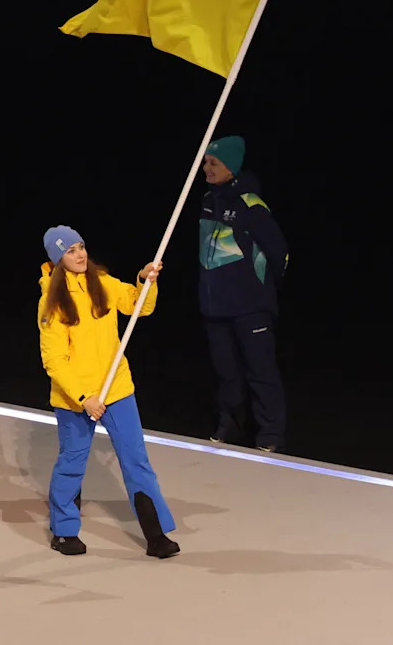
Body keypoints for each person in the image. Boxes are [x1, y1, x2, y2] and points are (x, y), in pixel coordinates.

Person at [37, 225, 179, 559]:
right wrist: (84, 398)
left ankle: (156, 535)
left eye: (81, 246)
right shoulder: (52, 301)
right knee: (73, 462)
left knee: (136, 459)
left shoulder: (102, 281)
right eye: (70, 251)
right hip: (76, 399)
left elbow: (139, 306)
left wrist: (145, 281)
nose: (80, 254)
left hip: (116, 388)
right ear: (58, 259)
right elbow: (54, 361)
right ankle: (64, 531)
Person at [199, 135, 290, 452]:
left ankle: (270, 436)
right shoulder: (208, 200)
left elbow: (279, 254)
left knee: (260, 371)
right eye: (205, 162)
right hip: (214, 306)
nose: (206, 168)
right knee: (227, 374)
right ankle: (229, 428)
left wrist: (258, 288)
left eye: (213, 162)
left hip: (250, 307)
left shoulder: (251, 206)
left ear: (231, 166)